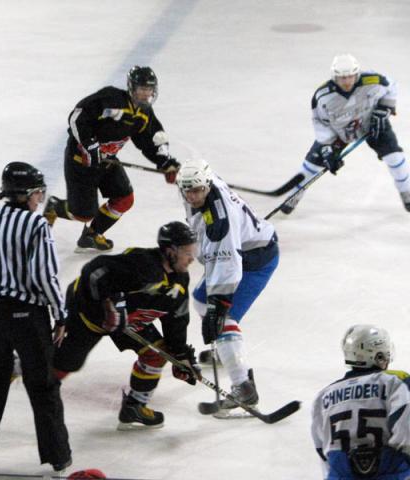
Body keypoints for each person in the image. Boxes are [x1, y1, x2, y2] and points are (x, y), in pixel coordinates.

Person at [0, 161, 72, 472]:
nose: (40, 198)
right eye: (38, 192)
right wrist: (61, 315)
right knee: (43, 385)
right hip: (24, 316)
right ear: (25, 194)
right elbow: (45, 276)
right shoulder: (36, 225)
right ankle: (59, 457)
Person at [53, 222, 201, 429]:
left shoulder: (179, 281)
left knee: (157, 352)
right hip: (89, 312)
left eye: (194, 251)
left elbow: (176, 319)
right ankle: (22, 369)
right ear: (170, 251)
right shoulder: (143, 264)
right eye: (187, 252)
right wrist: (111, 304)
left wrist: (180, 354)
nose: (192, 258)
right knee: (66, 364)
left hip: (128, 321)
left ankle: (134, 407)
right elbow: (94, 271)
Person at [175, 158, 279, 415]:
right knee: (201, 300)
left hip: (255, 260)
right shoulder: (203, 182)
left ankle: (243, 387)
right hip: (246, 248)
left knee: (223, 317)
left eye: (197, 190)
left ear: (207, 186)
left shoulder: (219, 223)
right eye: (187, 190)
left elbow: (229, 265)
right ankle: (228, 351)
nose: (192, 195)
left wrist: (218, 307)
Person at [43, 66, 181, 252]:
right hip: (81, 161)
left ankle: (92, 234)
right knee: (83, 214)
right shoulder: (111, 99)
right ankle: (55, 207)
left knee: (125, 198)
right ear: (132, 88)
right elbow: (77, 118)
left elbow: (151, 139)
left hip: (107, 161)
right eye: (142, 89)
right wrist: (90, 145)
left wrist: (165, 162)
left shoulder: (144, 114)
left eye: (148, 90)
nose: (145, 94)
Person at [281, 53, 410, 214]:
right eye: (343, 78)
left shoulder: (373, 80)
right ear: (334, 77)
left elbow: (391, 87)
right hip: (339, 132)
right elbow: (320, 122)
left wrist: (384, 108)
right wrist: (327, 148)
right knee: (311, 165)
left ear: (357, 73)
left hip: (373, 124)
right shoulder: (323, 96)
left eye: (351, 76)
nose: (347, 81)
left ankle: (407, 193)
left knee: (396, 158)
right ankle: (294, 195)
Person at [311, 324, 410, 479]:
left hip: (342, 472)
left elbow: (321, 448)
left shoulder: (323, 396)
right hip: (388, 469)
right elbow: (405, 430)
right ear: (377, 355)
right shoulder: (394, 383)